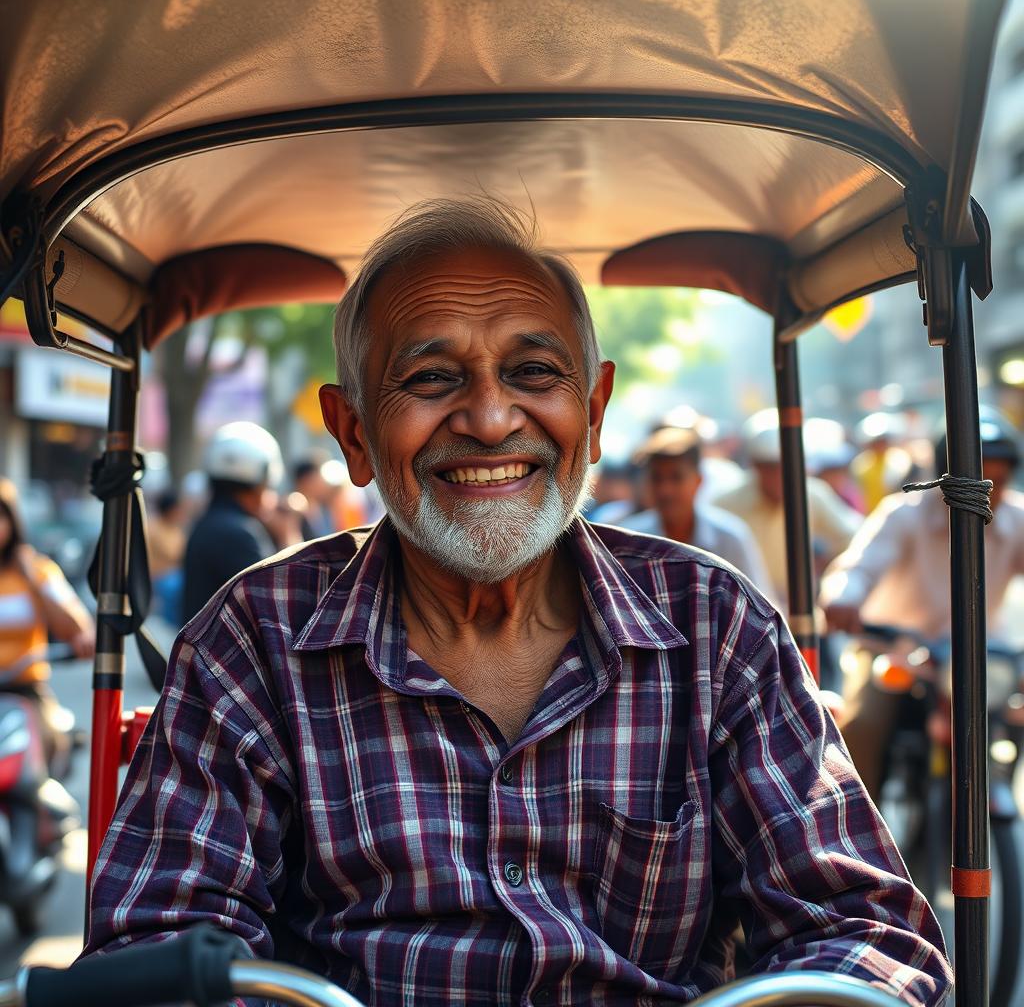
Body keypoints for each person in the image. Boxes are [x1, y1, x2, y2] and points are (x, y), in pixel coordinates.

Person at [85, 197, 950, 1006]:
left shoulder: (715, 629)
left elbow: (864, 934)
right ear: (353, 432)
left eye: (534, 371)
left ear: (595, 410)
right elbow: (158, 946)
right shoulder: (256, 641)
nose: (492, 418)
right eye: (431, 379)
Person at [819, 411, 1024, 798]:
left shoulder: (1016, 517)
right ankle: (858, 824)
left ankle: (998, 782)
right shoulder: (904, 513)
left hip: (977, 655)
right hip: (894, 650)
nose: (989, 492)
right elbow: (858, 568)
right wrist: (843, 598)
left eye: (998, 479)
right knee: (862, 725)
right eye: (980, 478)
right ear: (948, 474)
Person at [713, 410, 864, 603]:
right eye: (770, 467)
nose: (779, 476)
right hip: (742, 609)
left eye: (785, 466)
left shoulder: (811, 494)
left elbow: (856, 540)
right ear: (755, 466)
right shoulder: (726, 503)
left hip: (801, 606)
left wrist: (831, 572)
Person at [0, 477, 95, 763]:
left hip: (24, 691)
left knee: (49, 751)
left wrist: (33, 581)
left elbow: (77, 629)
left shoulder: (38, 569)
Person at [619, 426, 775, 599]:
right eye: (657, 478)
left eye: (676, 477)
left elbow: (759, 604)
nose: (665, 490)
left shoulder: (729, 538)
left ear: (698, 481)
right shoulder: (631, 540)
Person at [181, 421, 284, 623]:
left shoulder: (211, 523)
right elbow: (281, 606)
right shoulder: (239, 533)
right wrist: (288, 535)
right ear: (262, 480)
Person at [147, 488, 187, 626]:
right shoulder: (153, 528)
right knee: (177, 588)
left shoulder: (174, 528)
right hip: (160, 576)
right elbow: (174, 555)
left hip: (173, 574)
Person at [291, 449, 336, 541]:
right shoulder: (294, 506)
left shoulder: (323, 507)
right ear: (306, 481)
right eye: (319, 478)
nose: (323, 483)